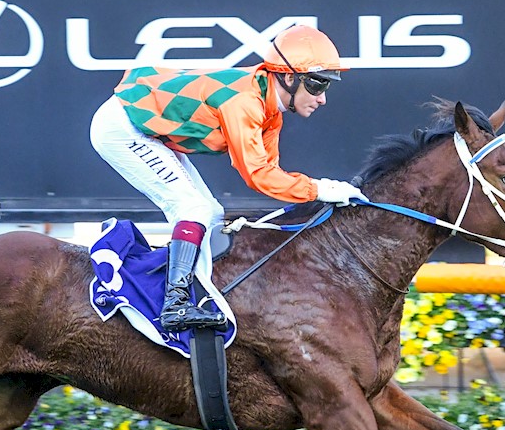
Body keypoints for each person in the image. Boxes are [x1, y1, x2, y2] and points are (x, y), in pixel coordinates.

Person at [89, 24, 357, 332]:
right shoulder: (245, 103)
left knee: (212, 213)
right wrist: (320, 188)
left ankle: (197, 295)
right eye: (317, 85)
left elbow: (272, 174)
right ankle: (174, 306)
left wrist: (318, 191)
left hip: (146, 129)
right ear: (289, 77)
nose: (322, 98)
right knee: (194, 210)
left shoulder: (271, 111)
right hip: (122, 128)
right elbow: (258, 176)